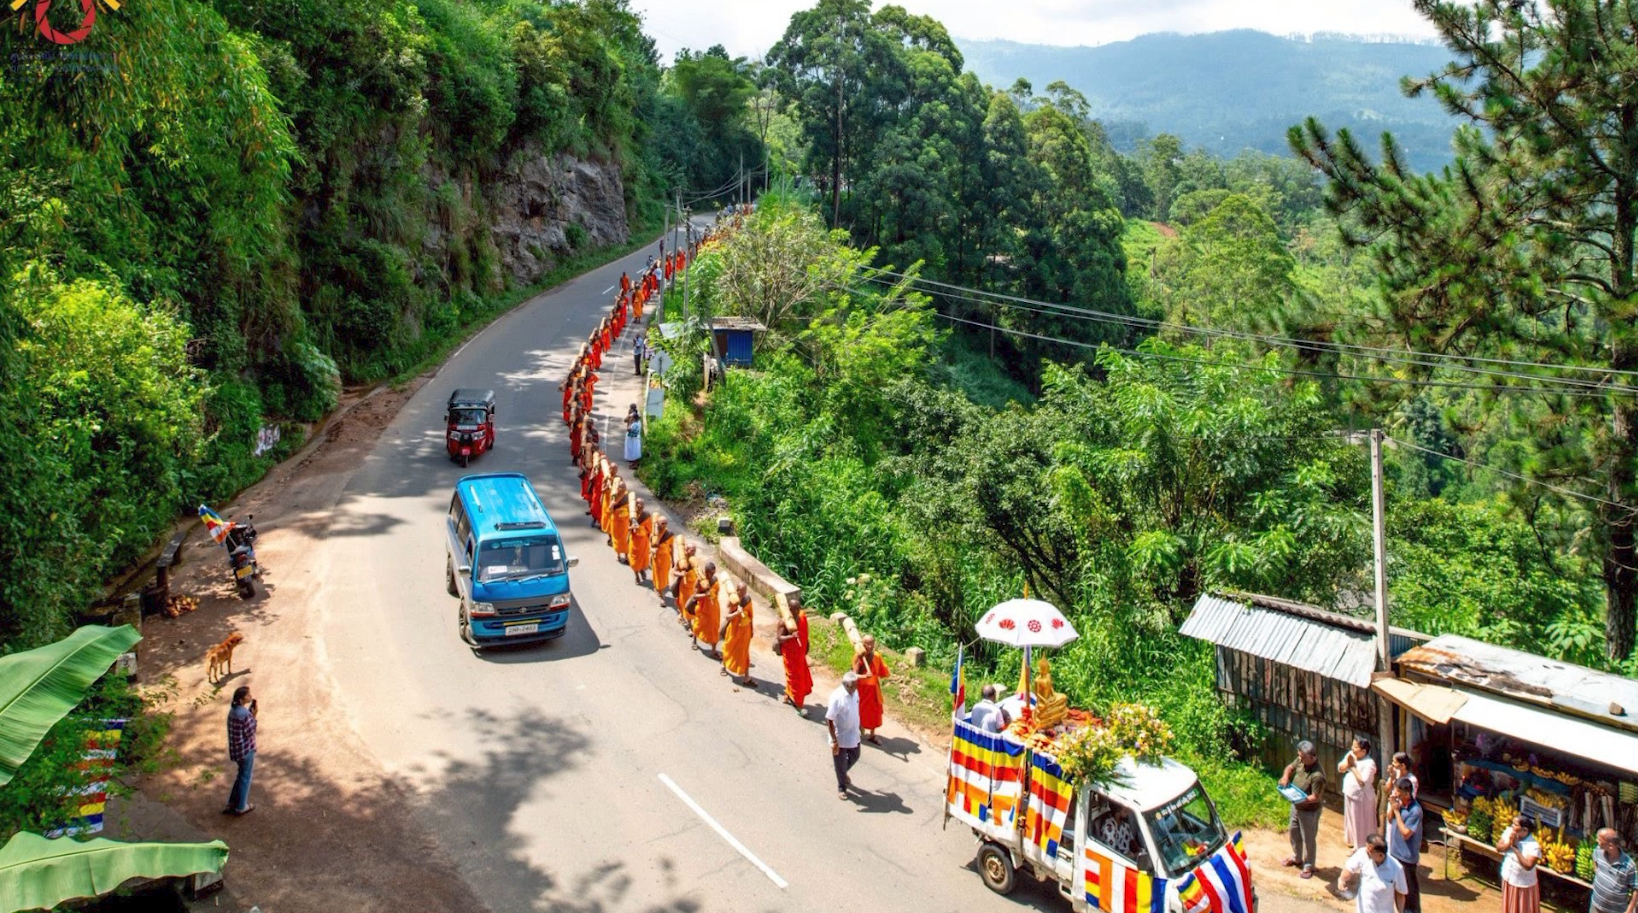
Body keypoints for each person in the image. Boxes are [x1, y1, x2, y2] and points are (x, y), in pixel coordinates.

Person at [1279, 740, 1326, 879]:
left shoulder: (1318, 776)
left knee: (1308, 838)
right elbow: (1289, 768)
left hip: (1309, 810)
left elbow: (1316, 797)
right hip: (1296, 805)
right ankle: (1297, 857)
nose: (1299, 758)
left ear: (1311, 757)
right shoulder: (1301, 760)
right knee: (1294, 831)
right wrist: (1285, 776)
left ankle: (1309, 865)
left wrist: (1301, 799)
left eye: (1302, 757)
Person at [1341, 834, 1407, 913]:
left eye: (1370, 851)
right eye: (1367, 847)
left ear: (1380, 855)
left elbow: (1400, 894)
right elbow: (1349, 869)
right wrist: (1342, 879)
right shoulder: (1362, 854)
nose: (1367, 851)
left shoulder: (1396, 868)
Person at [1386, 779, 1423, 913]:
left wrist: (1397, 812)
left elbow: (1406, 834)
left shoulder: (1416, 811)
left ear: (1407, 794)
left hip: (1407, 857)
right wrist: (1392, 806)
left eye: (1398, 791)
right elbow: (1389, 819)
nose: (1395, 793)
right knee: (1396, 888)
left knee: (1409, 891)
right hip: (1395, 852)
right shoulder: (1399, 804)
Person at [827, 671, 862, 800]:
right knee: (840, 761)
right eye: (854, 685)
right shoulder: (837, 697)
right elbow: (829, 719)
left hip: (853, 733)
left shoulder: (855, 693)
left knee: (856, 754)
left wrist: (860, 725)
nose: (856, 688)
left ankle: (841, 771)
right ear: (847, 685)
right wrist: (834, 741)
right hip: (840, 736)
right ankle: (841, 787)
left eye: (856, 685)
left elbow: (856, 710)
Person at [224, 685, 258, 816]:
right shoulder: (244, 714)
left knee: (241, 775)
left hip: (236, 749)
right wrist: (253, 716)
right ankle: (241, 806)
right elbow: (250, 732)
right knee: (245, 777)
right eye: (248, 695)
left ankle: (232, 802)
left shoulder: (233, 711)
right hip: (246, 750)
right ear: (243, 699)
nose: (251, 697)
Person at [1340, 736, 1378, 849]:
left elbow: (1363, 782)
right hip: (1350, 793)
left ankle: (1360, 848)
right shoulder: (1351, 755)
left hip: (1362, 798)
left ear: (1363, 751)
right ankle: (1353, 842)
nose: (1352, 748)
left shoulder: (1369, 763)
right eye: (1353, 745)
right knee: (1351, 820)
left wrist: (1352, 767)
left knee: (1360, 823)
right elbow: (1340, 768)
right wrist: (1348, 764)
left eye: (1355, 746)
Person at [1497, 816, 1542, 913]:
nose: (1512, 826)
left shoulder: (1534, 846)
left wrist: (1515, 848)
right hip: (1508, 878)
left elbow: (1528, 866)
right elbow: (1498, 848)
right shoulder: (1509, 833)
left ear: (1524, 829)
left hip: (1523, 885)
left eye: (1515, 825)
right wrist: (1509, 843)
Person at [776, 595, 812, 715]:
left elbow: (805, 633)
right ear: (789, 609)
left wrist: (807, 644)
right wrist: (791, 636)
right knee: (794, 678)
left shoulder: (802, 617)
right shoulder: (783, 622)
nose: (797, 611)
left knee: (800, 677)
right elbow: (780, 638)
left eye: (798, 608)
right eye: (794, 609)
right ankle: (799, 705)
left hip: (800, 653)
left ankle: (787, 695)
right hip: (790, 654)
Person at [852, 634, 891, 746]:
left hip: (874, 689)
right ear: (862, 644)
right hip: (861, 689)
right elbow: (853, 675)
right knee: (859, 711)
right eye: (867, 643)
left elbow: (883, 672)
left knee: (875, 712)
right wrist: (865, 676)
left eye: (871, 643)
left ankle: (872, 735)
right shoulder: (857, 657)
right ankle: (857, 729)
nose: (869, 646)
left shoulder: (877, 656)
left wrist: (884, 672)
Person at [1592, 829, 1637, 913]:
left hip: (1615, 910)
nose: (1597, 841)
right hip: (1596, 904)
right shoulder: (1598, 850)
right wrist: (1598, 874)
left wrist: (1629, 910)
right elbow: (1594, 858)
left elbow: (1635, 889)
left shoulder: (1629, 865)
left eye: (1600, 840)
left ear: (1611, 845)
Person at [719, 581, 755, 687]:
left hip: (745, 630)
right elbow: (727, 617)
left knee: (745, 652)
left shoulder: (748, 600)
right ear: (737, 590)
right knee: (729, 647)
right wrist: (737, 613)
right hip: (734, 629)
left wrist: (752, 629)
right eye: (741, 592)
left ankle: (746, 677)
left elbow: (751, 616)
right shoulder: (733, 600)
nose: (743, 594)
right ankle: (723, 665)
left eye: (745, 591)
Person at [685, 561, 721, 655]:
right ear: (705, 571)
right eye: (710, 573)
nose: (711, 575)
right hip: (702, 608)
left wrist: (712, 595)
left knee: (714, 628)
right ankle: (694, 640)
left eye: (713, 573)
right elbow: (695, 596)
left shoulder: (715, 580)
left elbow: (716, 592)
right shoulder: (700, 581)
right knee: (698, 626)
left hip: (714, 608)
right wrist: (705, 595)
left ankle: (713, 649)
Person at [676, 544, 701, 628]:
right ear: (686, 551)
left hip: (694, 587)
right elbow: (673, 572)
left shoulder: (695, 561)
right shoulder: (682, 561)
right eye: (692, 550)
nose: (694, 552)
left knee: (692, 606)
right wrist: (680, 574)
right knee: (687, 605)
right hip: (685, 588)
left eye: (695, 550)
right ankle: (690, 626)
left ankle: (682, 616)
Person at [629, 499, 653, 586]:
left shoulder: (646, 515)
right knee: (634, 559)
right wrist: (632, 527)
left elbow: (650, 529)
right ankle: (636, 576)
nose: (641, 508)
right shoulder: (631, 515)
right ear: (635, 506)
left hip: (644, 541)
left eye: (643, 506)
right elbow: (625, 527)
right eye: (639, 506)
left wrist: (641, 529)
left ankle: (642, 569)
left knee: (643, 558)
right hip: (634, 541)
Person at [650, 515, 675, 600]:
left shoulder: (669, 534)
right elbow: (650, 546)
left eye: (665, 523)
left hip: (666, 559)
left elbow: (671, 547)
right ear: (657, 524)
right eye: (662, 523)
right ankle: (661, 595)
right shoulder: (653, 535)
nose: (664, 525)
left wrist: (673, 559)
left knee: (664, 576)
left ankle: (660, 588)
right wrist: (652, 550)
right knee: (658, 576)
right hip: (656, 559)